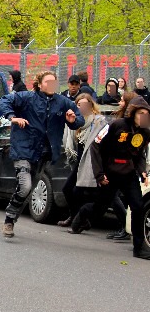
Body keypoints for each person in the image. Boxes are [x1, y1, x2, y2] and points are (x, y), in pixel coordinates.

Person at [0, 71, 84, 238]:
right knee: (25, 186)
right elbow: (4, 101)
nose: (51, 85)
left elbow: (79, 119)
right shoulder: (27, 97)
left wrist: (74, 121)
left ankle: (11, 218)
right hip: (23, 148)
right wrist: (12, 117)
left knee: (28, 191)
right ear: (40, 83)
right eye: (48, 81)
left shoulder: (62, 102)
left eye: (54, 82)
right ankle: (9, 219)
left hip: (43, 153)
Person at [69, 96, 150, 260]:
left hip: (128, 173)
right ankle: (82, 214)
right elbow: (96, 145)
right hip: (110, 173)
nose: (144, 116)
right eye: (141, 113)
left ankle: (139, 247)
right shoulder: (117, 125)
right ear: (133, 113)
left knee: (138, 206)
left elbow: (139, 154)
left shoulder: (145, 132)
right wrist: (99, 174)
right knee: (100, 208)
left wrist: (142, 171)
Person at [57, 93, 107, 227]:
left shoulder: (98, 121)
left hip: (92, 162)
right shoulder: (75, 122)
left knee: (75, 191)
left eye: (85, 105)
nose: (82, 108)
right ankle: (76, 217)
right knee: (69, 190)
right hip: (79, 162)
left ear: (91, 106)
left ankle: (78, 219)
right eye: (79, 105)